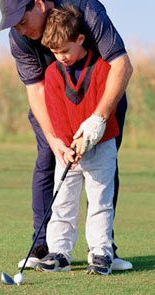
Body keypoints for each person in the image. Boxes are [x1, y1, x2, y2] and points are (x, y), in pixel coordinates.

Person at [0, 0, 133, 271]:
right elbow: (36, 90)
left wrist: (97, 122)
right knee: (49, 159)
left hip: (101, 101)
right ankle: (49, 249)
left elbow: (121, 65)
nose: (20, 30)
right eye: (14, 25)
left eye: (23, 21)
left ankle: (104, 249)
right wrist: (56, 140)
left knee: (102, 182)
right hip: (56, 107)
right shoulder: (20, 38)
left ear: (38, 4)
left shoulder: (86, 9)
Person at [35, 4, 121, 274]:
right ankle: (59, 252)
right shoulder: (52, 74)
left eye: (65, 50)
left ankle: (100, 253)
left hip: (101, 145)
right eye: (54, 52)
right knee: (63, 202)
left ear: (80, 39)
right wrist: (64, 146)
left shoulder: (103, 67)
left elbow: (102, 108)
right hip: (68, 151)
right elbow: (56, 113)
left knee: (99, 201)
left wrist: (87, 141)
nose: (60, 57)